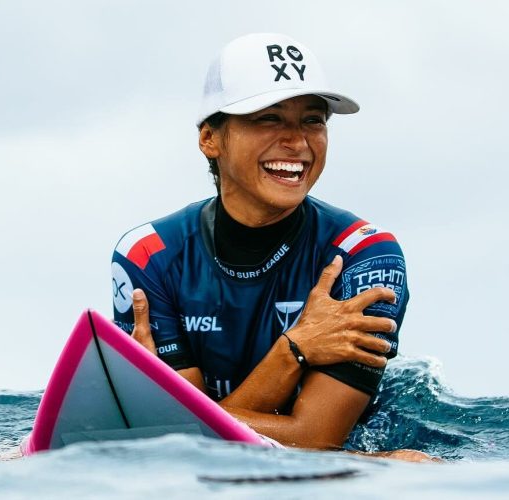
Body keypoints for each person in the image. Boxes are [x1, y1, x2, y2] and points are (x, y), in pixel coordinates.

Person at [111, 33, 430, 461]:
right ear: (211, 139)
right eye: (269, 119)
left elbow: (315, 437)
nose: (297, 142)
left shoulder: (366, 255)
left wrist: (173, 422)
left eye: (313, 120)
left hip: (344, 460)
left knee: (408, 466)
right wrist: (296, 347)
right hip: (253, 464)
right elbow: (185, 453)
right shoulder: (147, 255)